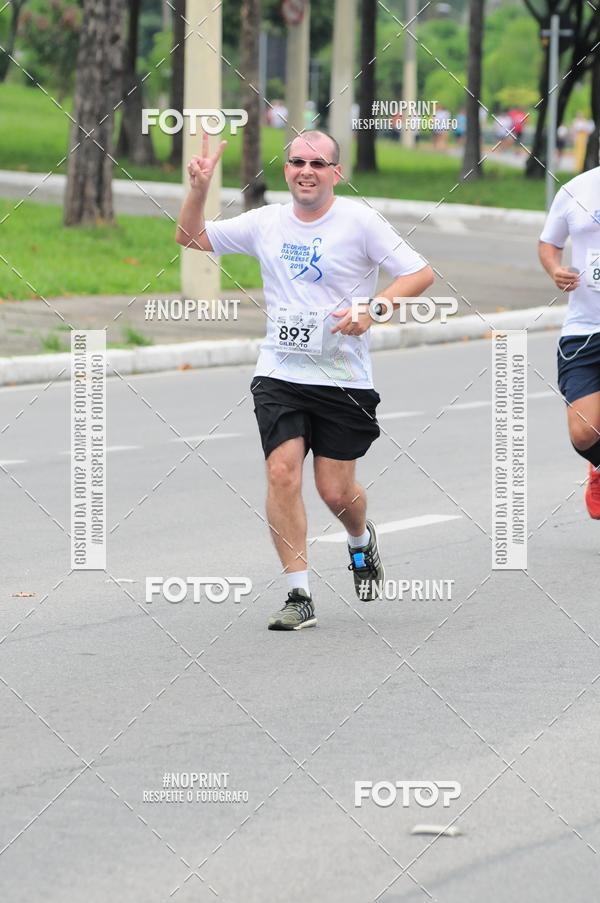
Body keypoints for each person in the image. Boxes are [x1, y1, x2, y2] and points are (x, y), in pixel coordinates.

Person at [176, 129, 434, 630]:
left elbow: (419, 272)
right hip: (280, 371)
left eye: (318, 163)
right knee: (282, 473)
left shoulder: (359, 221)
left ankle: (360, 540)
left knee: (336, 492)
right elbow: (191, 238)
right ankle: (299, 595)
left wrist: (374, 307)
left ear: (336, 172)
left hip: (343, 376)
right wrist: (199, 190)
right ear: (286, 169)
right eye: (297, 162)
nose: (306, 171)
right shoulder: (266, 222)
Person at [539, 164, 600, 518]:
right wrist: (554, 269)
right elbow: (549, 242)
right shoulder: (576, 190)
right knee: (583, 433)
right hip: (583, 328)